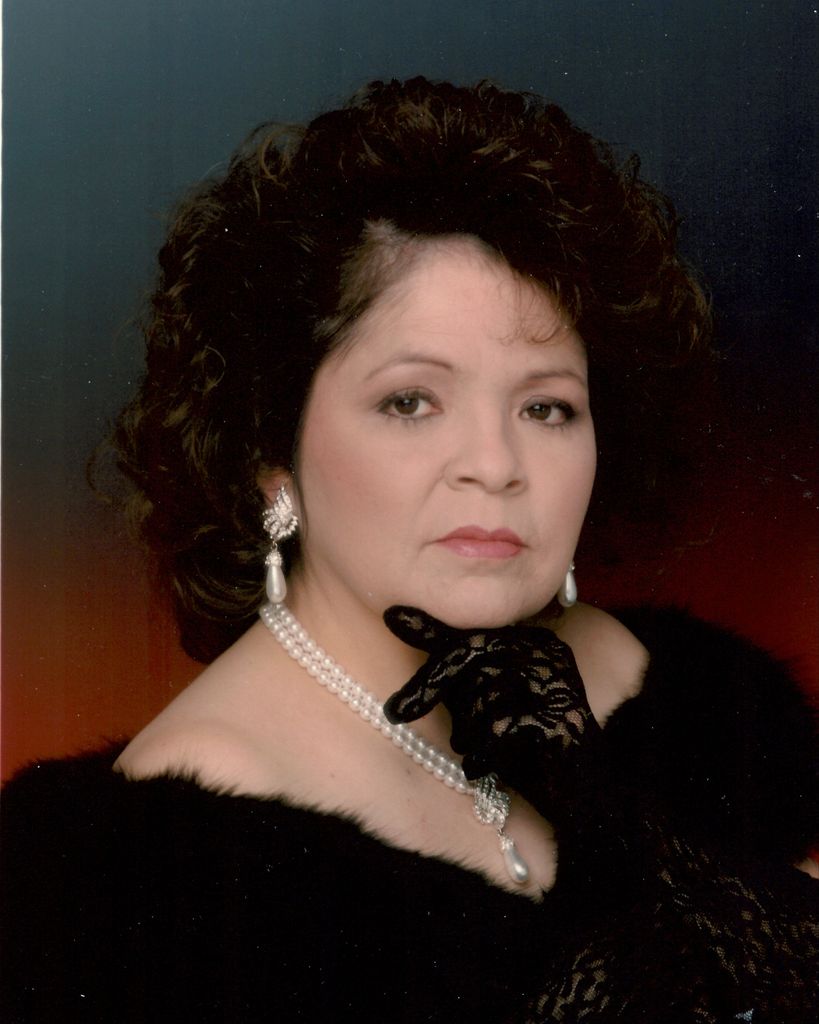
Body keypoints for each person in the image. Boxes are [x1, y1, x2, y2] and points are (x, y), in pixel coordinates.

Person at [2, 77, 817, 1023]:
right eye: (410, 401)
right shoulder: (168, 866)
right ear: (271, 457)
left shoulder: (675, 694)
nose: (495, 464)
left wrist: (598, 798)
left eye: (546, 407)